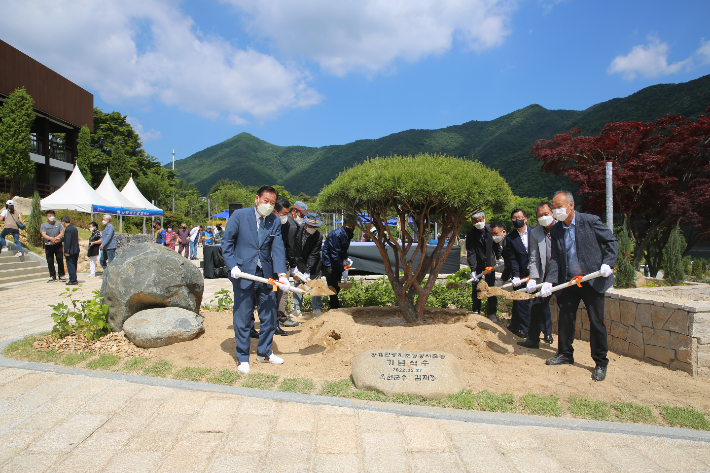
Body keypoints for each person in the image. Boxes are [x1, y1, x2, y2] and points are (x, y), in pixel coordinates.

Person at [542, 190, 618, 382]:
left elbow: (611, 241)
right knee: (566, 318)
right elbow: (556, 258)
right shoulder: (557, 228)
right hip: (569, 281)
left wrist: (608, 263)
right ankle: (565, 353)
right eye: (554, 207)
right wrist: (550, 281)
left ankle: (601, 362)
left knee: (596, 321)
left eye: (559, 206)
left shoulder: (590, 221)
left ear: (570, 206)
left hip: (592, 280)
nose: (555, 210)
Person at [222, 185, 288, 374]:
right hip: (243, 272)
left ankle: (264, 352)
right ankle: (242, 356)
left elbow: (277, 247)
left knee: (269, 315)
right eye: (266, 201)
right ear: (256, 199)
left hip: (266, 275)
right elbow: (227, 242)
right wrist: (232, 265)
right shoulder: (239, 216)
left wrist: (281, 274)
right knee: (243, 316)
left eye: (272, 203)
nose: (268, 205)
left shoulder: (274, 220)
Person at [518, 202, 557, 348]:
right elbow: (534, 258)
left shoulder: (561, 228)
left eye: (546, 214)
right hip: (545, 278)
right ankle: (533, 340)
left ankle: (564, 348)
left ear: (552, 213)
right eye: (540, 215)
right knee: (536, 307)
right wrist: (533, 279)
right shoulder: (535, 233)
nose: (543, 217)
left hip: (563, 277)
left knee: (566, 309)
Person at [465, 210, 502, 322]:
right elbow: (471, 252)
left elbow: (496, 245)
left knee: (491, 288)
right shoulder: (471, 234)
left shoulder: (491, 230)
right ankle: (476, 311)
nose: (478, 223)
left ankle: (492, 313)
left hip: (490, 265)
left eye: (480, 220)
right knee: (477, 288)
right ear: (472, 222)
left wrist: (499, 257)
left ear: (484, 219)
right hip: (477, 265)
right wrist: (473, 269)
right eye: (475, 221)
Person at [505, 208, 534, 339]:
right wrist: (515, 275)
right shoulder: (510, 237)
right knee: (521, 302)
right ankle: (524, 329)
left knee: (536, 302)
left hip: (535, 273)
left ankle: (545, 331)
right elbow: (512, 258)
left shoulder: (536, 232)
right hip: (521, 274)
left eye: (520, 217)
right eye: (514, 218)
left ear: (526, 218)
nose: (518, 220)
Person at [292, 212, 324, 317]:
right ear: (305, 224)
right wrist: (293, 264)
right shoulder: (297, 230)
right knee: (298, 285)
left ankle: (316, 309)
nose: (313, 228)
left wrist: (308, 271)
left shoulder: (318, 236)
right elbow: (294, 248)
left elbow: (313, 255)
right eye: (311, 226)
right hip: (299, 263)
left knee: (316, 286)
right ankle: (297, 309)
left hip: (314, 265)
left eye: (315, 226)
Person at [322, 215, 356, 310]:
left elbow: (343, 249)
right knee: (332, 285)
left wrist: (346, 258)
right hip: (330, 261)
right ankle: (334, 307)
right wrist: (342, 269)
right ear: (344, 224)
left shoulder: (349, 234)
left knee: (337, 285)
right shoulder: (336, 235)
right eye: (350, 226)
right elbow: (334, 254)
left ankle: (335, 305)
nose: (352, 228)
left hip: (338, 261)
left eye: (354, 226)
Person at [272, 197, 295, 333]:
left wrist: (290, 266)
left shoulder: (286, 225)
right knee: (269, 295)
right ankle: (270, 323)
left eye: (287, 213)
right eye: (284, 214)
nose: (285, 217)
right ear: (275, 211)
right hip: (268, 265)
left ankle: (277, 323)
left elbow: (284, 246)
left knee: (281, 294)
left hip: (280, 265)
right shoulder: (266, 223)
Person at [40, 210, 66, 282]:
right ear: (46, 216)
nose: (51, 217)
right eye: (49, 215)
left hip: (58, 244)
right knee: (50, 261)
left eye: (52, 215)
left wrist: (55, 239)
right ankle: (52, 276)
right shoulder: (44, 225)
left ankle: (61, 275)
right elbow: (43, 234)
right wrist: (51, 239)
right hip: (48, 245)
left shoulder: (58, 224)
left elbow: (62, 233)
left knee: (60, 260)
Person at [60, 216, 79, 285]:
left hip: (70, 251)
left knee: (70, 265)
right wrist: (60, 239)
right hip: (76, 250)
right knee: (74, 265)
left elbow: (68, 241)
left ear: (63, 222)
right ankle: (74, 278)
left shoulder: (68, 229)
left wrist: (66, 251)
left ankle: (73, 280)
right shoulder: (74, 228)